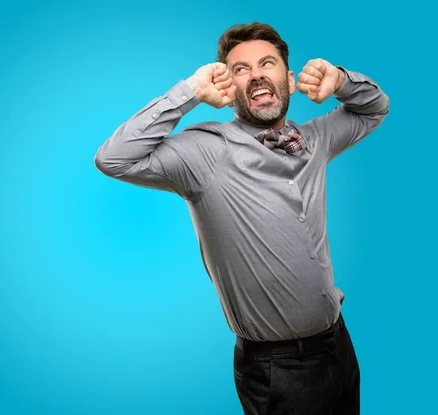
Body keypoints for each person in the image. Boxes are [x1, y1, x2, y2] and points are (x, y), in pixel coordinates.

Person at [94, 22, 389, 414]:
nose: (256, 76)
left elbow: (375, 107)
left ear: (287, 78)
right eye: (240, 69)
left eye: (266, 64)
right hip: (278, 371)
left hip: (338, 345)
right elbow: (113, 158)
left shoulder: (315, 140)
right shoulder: (205, 152)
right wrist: (189, 93)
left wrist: (340, 81)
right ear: (228, 88)